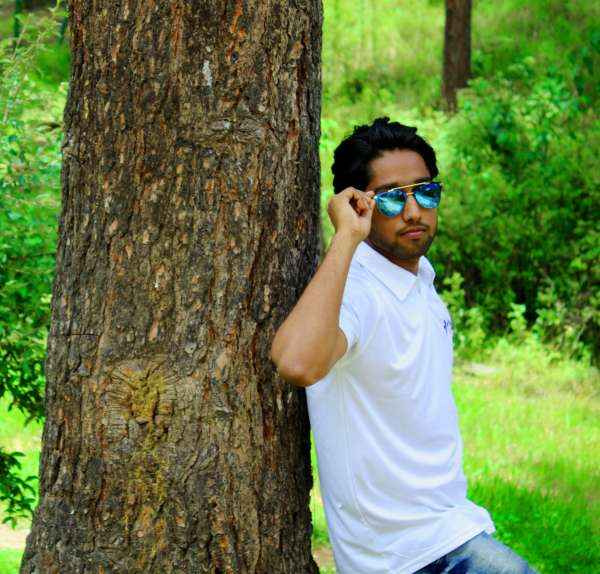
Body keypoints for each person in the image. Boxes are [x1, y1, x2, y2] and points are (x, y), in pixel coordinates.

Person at [269, 117, 539, 573]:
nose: (414, 211)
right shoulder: (356, 291)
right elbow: (296, 363)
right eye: (393, 197)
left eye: (425, 192)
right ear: (359, 204)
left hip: (451, 528)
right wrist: (346, 237)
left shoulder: (420, 279)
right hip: (407, 556)